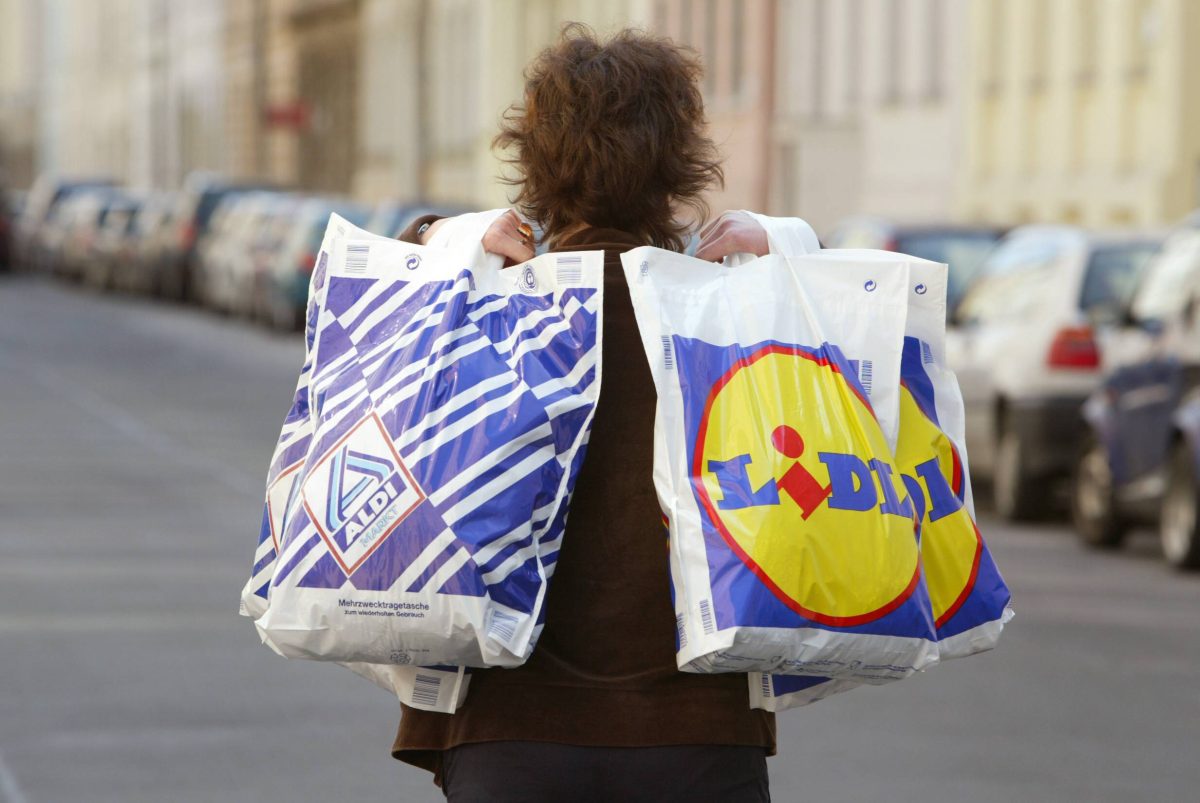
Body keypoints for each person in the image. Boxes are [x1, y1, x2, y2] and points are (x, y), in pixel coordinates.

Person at [394, 25, 775, 803]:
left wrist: (439, 237)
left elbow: (376, 334)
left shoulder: (490, 309)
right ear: (677, 162)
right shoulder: (729, 319)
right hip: (697, 738)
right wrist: (791, 251)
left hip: (509, 735)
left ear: (535, 161)